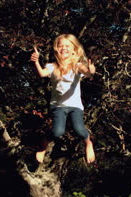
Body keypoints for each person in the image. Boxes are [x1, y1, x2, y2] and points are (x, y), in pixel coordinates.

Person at [30, 33, 96, 163]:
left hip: (75, 106)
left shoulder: (77, 65)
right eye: (60, 46)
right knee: (57, 132)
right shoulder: (52, 66)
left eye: (67, 46)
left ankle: (88, 143)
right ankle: (44, 143)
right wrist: (36, 62)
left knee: (80, 131)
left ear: (74, 50)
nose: (64, 48)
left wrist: (91, 71)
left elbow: (87, 73)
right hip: (58, 106)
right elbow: (42, 74)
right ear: (56, 49)